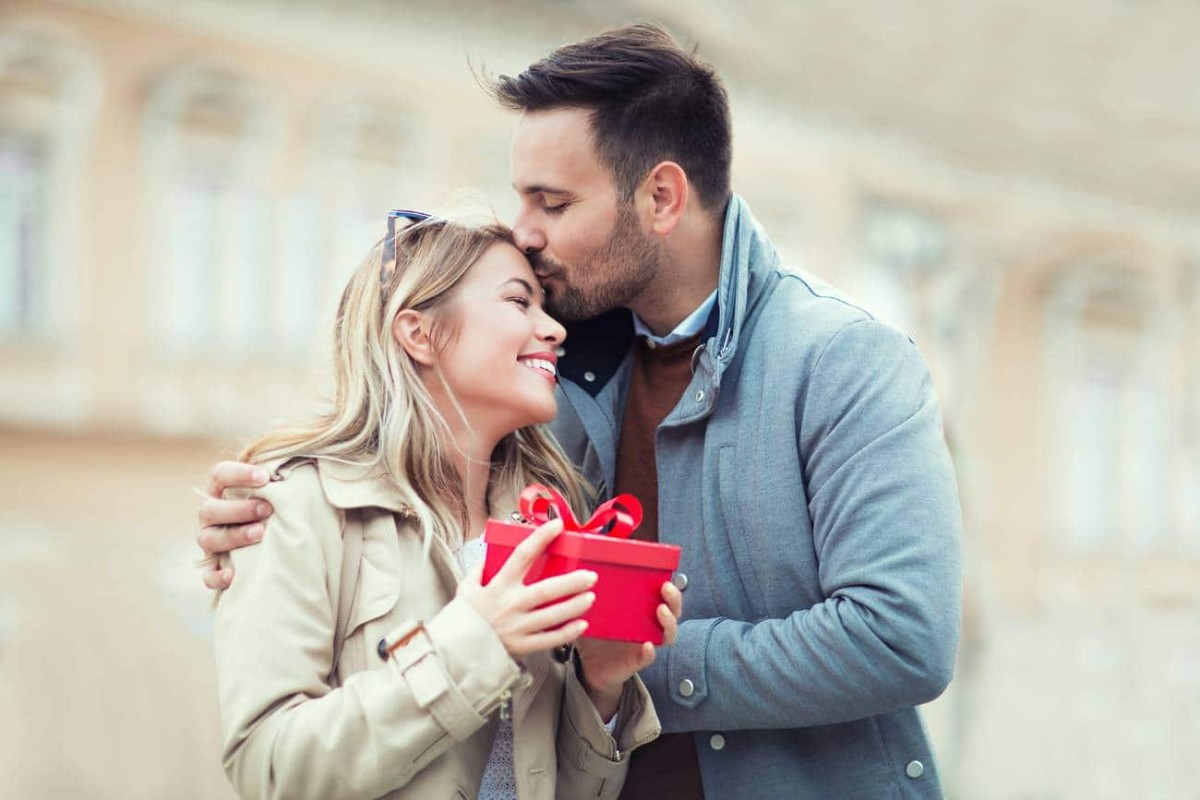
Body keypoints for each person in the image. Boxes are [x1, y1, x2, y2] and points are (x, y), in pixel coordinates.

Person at [199, 24, 962, 799]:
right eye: (521, 198)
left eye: (552, 202)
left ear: (661, 197)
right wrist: (271, 522)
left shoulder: (846, 361)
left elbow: (901, 638)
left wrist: (627, 666)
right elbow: (395, 486)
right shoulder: (544, 370)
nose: (525, 233)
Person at [209, 211, 682, 800]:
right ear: (419, 333)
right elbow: (269, 768)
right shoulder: (295, 506)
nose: (554, 330)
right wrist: (476, 643)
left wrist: (602, 687)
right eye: (519, 302)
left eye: (545, 306)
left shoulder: (546, 522)